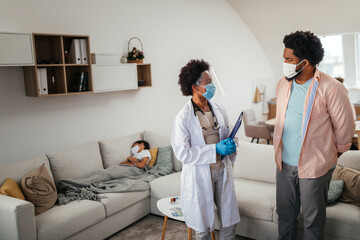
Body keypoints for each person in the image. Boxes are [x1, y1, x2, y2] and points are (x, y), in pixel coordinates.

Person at [274, 31, 355, 240]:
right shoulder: (283, 84)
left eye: (289, 59)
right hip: (284, 165)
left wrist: (330, 156)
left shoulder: (332, 88)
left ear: (305, 62)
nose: (284, 63)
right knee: (285, 217)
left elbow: (345, 129)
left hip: (315, 166)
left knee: (313, 222)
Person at [172, 59, 240, 240]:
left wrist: (232, 145)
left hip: (222, 170)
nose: (212, 85)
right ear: (195, 87)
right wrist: (214, 149)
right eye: (208, 82)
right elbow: (182, 153)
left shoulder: (219, 109)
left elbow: (229, 133)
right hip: (201, 174)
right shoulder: (183, 117)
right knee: (202, 227)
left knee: (229, 222)